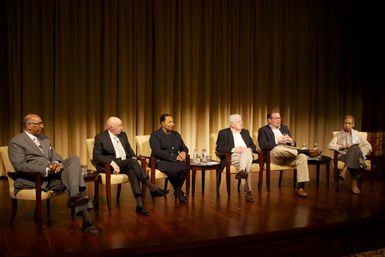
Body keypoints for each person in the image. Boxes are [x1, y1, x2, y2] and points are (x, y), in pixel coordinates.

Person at [8, 114, 99, 235]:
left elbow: (55, 156)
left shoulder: (45, 139)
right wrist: (46, 168)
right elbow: (20, 166)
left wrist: (56, 163)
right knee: (74, 180)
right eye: (39, 123)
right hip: (35, 178)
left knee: (74, 159)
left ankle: (74, 194)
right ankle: (86, 221)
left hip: (54, 174)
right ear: (29, 126)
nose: (42, 126)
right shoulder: (16, 142)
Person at [93, 117, 169, 216]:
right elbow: (96, 156)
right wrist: (111, 162)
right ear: (111, 127)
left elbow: (129, 150)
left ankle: (140, 205)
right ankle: (152, 187)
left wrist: (133, 157)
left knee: (132, 170)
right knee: (132, 163)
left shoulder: (123, 135)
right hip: (110, 165)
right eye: (119, 126)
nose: (122, 128)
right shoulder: (100, 137)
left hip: (126, 163)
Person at [258, 111, 310, 197]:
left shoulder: (284, 128)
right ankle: (304, 151)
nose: (279, 120)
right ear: (269, 120)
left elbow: (293, 145)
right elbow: (263, 146)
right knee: (278, 148)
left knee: (302, 157)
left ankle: (300, 188)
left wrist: (292, 142)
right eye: (276, 118)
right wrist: (276, 141)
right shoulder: (263, 130)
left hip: (288, 156)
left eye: (279, 118)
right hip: (274, 157)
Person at [216, 114, 257, 203]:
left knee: (247, 151)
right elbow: (219, 148)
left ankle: (241, 172)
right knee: (247, 167)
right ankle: (248, 192)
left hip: (247, 155)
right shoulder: (223, 133)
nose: (242, 123)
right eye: (239, 121)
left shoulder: (245, 132)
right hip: (233, 156)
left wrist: (247, 149)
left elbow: (253, 146)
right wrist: (234, 149)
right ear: (232, 124)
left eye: (241, 121)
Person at [149, 114, 189, 203]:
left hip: (174, 160)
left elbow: (184, 147)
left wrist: (183, 152)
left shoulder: (176, 134)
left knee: (185, 168)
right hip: (160, 160)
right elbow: (157, 152)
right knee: (173, 170)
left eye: (173, 122)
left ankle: (177, 191)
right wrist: (175, 158)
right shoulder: (155, 135)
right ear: (162, 123)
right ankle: (178, 191)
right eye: (169, 122)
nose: (172, 124)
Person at [328, 115, 372, 195]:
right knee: (354, 149)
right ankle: (354, 185)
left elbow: (369, 146)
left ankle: (345, 169)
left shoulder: (358, 134)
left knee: (354, 149)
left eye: (349, 123)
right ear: (343, 124)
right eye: (345, 123)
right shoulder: (338, 135)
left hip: (354, 156)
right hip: (343, 156)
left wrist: (359, 152)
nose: (347, 125)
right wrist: (342, 147)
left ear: (353, 124)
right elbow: (330, 145)